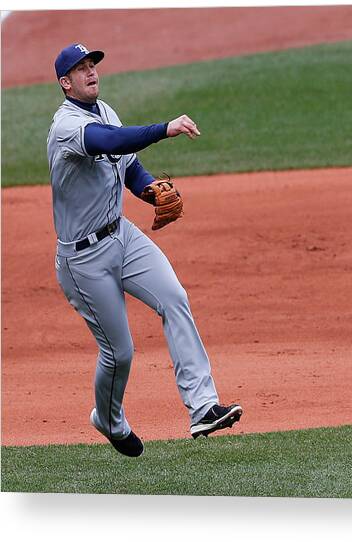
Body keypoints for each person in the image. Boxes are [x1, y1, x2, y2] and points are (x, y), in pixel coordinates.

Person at [47, 43, 242, 457]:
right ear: (66, 83)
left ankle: (203, 406)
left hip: (122, 235)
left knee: (174, 298)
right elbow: (111, 142)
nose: (91, 73)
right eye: (80, 70)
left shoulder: (106, 110)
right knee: (119, 353)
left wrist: (151, 191)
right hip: (83, 261)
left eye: (92, 66)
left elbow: (128, 165)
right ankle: (109, 420)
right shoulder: (67, 127)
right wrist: (164, 128)